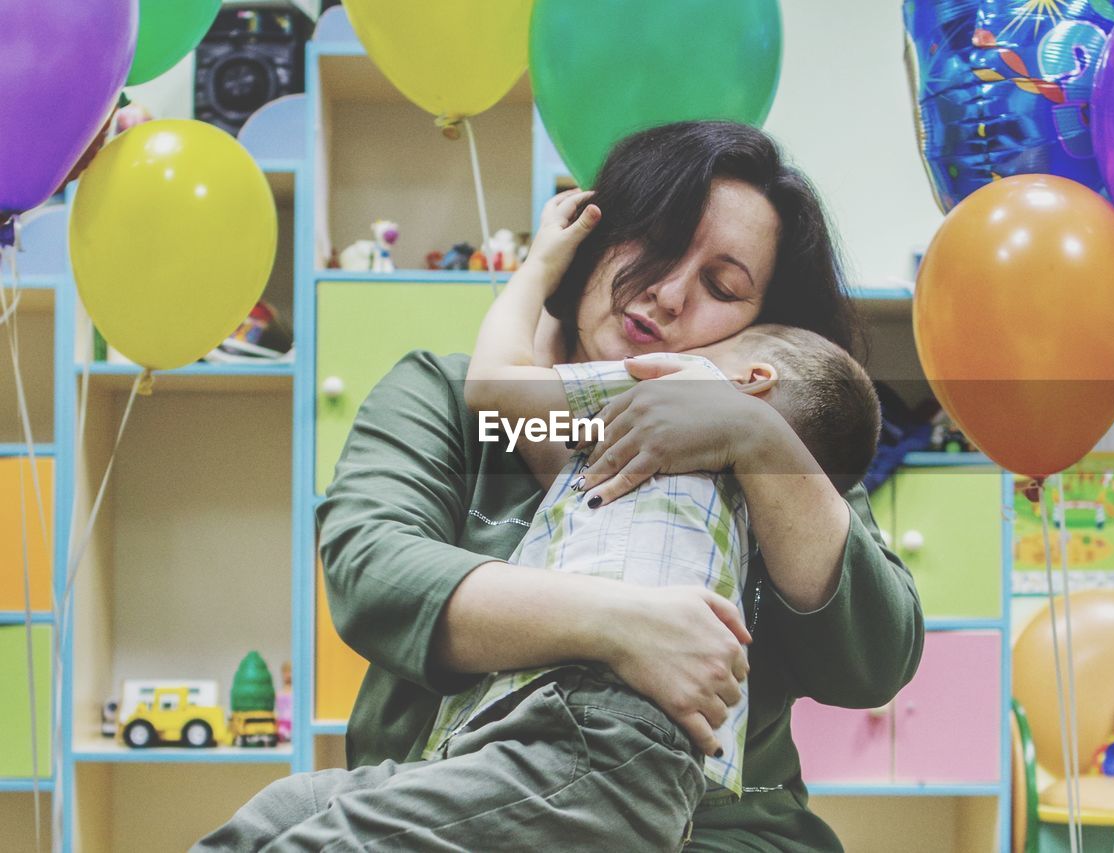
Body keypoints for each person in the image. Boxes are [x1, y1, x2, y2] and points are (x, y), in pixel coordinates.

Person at [197, 121, 924, 851]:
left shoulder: (778, 427)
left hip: (704, 824)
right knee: (276, 816)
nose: (669, 294)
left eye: (722, 286)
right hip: (446, 782)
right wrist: (619, 622)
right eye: (659, 243)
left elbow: (875, 660)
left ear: (759, 334)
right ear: (593, 235)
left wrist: (756, 438)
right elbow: (374, 572)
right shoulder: (445, 394)